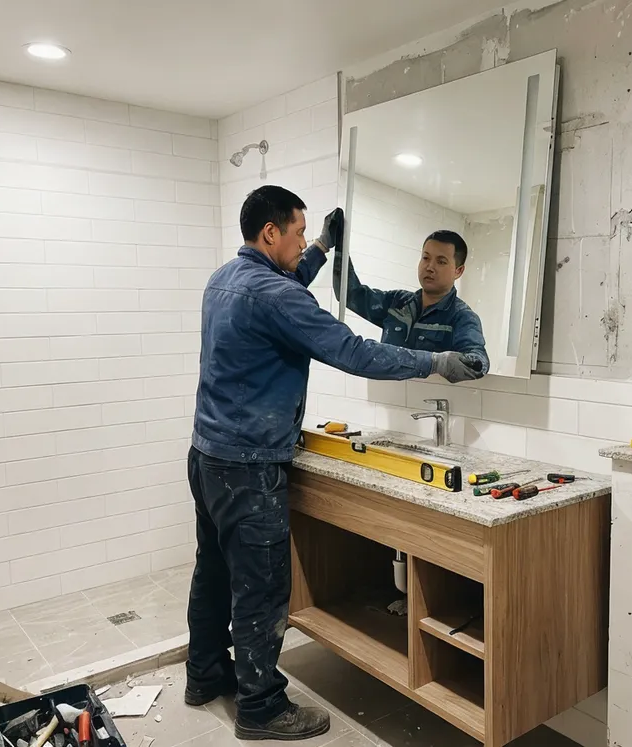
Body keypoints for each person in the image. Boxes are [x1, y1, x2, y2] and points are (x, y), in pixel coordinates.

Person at [185, 186, 481, 741]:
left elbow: (284, 291)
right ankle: (261, 708)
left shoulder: (224, 279)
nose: (302, 244)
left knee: (215, 572)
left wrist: (322, 245)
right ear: (270, 233)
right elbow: (352, 350)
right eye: (298, 233)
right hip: (249, 466)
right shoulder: (275, 294)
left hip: (207, 456)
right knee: (260, 587)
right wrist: (434, 361)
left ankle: (204, 675)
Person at [333, 230, 490, 375]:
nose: (430, 267)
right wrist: (340, 242)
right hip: (384, 397)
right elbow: (349, 294)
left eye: (441, 262)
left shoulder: (461, 317)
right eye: (426, 258)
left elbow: (478, 362)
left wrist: (449, 362)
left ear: (458, 271)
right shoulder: (397, 303)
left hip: (426, 401)